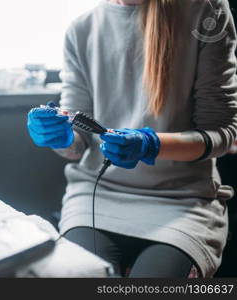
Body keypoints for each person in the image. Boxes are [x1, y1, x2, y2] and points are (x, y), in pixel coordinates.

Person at [27, 0, 237, 277]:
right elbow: (79, 145)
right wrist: (61, 139)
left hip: (182, 202)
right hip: (97, 196)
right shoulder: (81, 29)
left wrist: (154, 145)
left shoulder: (206, 10)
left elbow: (223, 134)